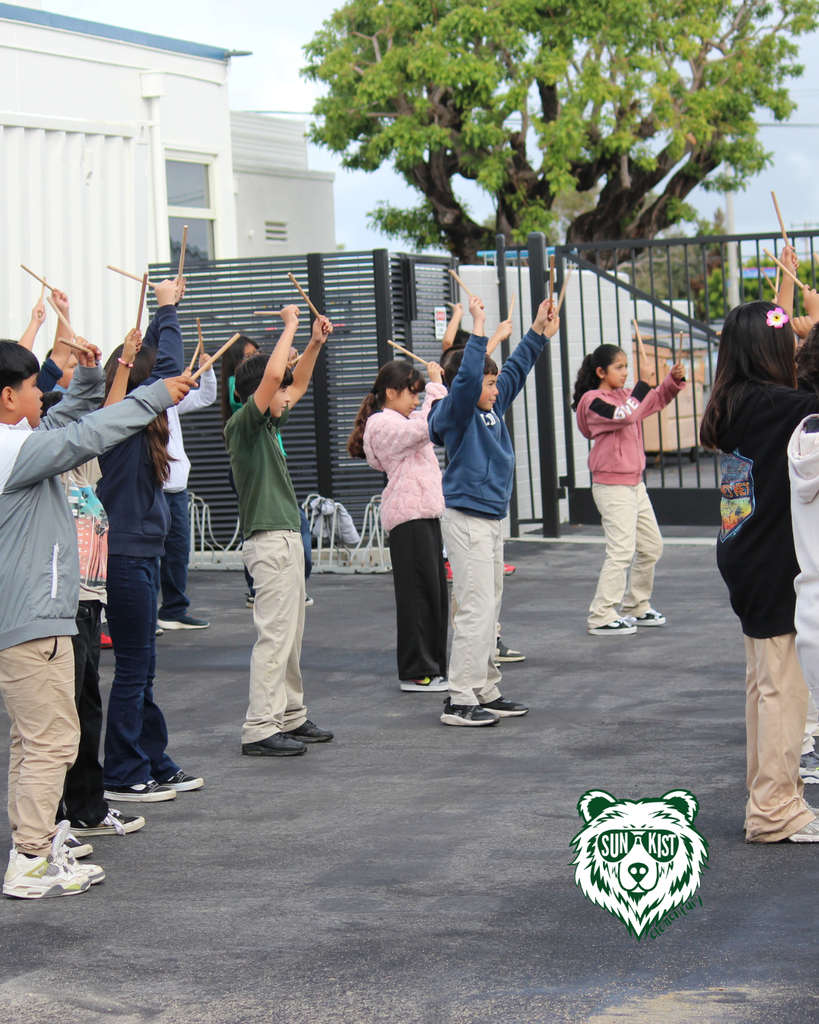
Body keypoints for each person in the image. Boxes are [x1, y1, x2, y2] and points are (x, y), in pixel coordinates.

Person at [0, 339, 193, 898]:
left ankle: (32, 846)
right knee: (54, 741)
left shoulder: (20, 440)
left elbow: (69, 417)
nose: (44, 393)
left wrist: (88, 375)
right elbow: (85, 435)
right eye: (36, 386)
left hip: (34, 619)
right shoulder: (14, 451)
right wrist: (154, 394)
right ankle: (31, 860)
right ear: (9, 397)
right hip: (35, 622)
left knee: (35, 741)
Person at [701, 299, 819, 843]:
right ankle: (774, 807)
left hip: (744, 552)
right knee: (782, 690)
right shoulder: (779, 407)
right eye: (786, 342)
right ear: (771, 351)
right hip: (773, 560)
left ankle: (768, 795)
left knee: (763, 685)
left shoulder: (734, 401)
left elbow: (802, 387)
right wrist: (816, 328)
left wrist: (791, 315)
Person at [427, 293, 559, 727]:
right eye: (488, 382)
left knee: (490, 607)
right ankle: (459, 698)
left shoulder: (491, 407)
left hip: (488, 520)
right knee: (475, 608)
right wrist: (479, 328)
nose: (495, 387)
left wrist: (537, 331)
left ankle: (483, 687)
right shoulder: (455, 411)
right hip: (466, 520)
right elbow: (466, 383)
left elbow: (517, 369)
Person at [98, 280, 204, 802]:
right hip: (123, 558)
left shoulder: (139, 427)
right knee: (135, 668)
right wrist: (167, 308)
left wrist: (166, 315)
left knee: (144, 668)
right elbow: (171, 374)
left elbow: (171, 376)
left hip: (139, 554)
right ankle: (122, 771)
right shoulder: (118, 422)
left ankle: (150, 758)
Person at [224, 307, 334, 756]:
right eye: (278, 389)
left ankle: (290, 715)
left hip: (283, 538)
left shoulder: (268, 423)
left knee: (290, 635)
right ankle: (259, 727)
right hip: (269, 542)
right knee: (274, 636)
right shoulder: (244, 425)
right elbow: (274, 379)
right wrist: (290, 327)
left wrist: (313, 343)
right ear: (258, 393)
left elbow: (297, 382)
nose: (288, 394)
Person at [348, 359, 449, 692]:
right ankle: (416, 671)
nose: (417, 400)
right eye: (412, 393)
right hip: (409, 518)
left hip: (424, 514)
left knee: (433, 596)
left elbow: (430, 421)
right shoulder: (380, 423)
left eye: (419, 394)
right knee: (418, 598)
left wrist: (435, 390)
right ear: (390, 392)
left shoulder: (399, 418)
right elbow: (424, 429)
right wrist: (436, 386)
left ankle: (432, 667)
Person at [572, 343, 686, 636]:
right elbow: (625, 415)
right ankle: (601, 615)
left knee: (651, 546)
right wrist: (643, 385)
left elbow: (654, 400)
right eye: (619, 367)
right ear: (601, 371)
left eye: (626, 367)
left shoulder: (625, 396)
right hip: (612, 486)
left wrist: (670, 381)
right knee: (621, 550)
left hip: (634, 484)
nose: (625, 373)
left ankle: (636, 605)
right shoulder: (592, 400)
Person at [155, 343, 217, 632]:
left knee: (177, 553)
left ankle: (174, 610)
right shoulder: (142, 400)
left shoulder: (173, 401)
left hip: (177, 489)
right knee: (149, 556)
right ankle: (145, 615)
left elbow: (206, 396)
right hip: (152, 488)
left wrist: (208, 370)